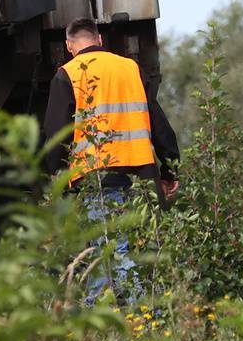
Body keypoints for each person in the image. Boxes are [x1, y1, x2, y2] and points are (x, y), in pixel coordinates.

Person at [43, 18, 180, 300]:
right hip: (141, 176)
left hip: (96, 179)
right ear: (100, 40)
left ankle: (133, 315)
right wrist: (169, 170)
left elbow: (56, 134)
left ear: (69, 46)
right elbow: (156, 119)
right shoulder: (130, 68)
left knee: (109, 251)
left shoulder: (67, 74)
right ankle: (132, 316)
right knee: (139, 250)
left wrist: (56, 175)